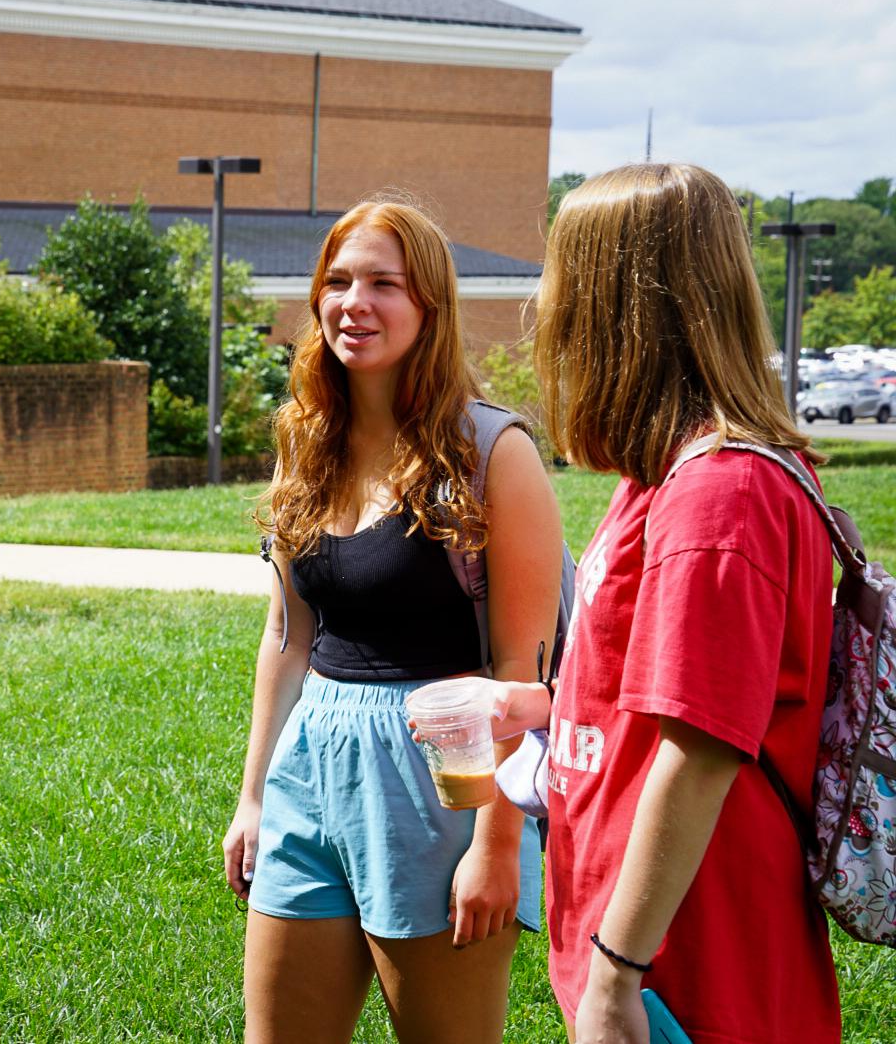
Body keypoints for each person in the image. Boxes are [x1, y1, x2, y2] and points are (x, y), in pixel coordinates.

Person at [491, 162, 841, 1043]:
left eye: (562, 276)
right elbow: (661, 691)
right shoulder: (661, 475)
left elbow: (701, 751)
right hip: (644, 949)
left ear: (613, 306)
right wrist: (551, 705)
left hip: (688, 969)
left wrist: (615, 973)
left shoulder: (719, 493)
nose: (549, 305)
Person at [221, 199, 562, 1043]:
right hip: (312, 768)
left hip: (443, 778)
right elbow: (287, 638)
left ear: (430, 307)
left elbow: (524, 669)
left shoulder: (494, 452)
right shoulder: (306, 443)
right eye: (337, 281)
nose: (352, 303)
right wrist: (255, 795)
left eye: (383, 283)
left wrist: (494, 844)